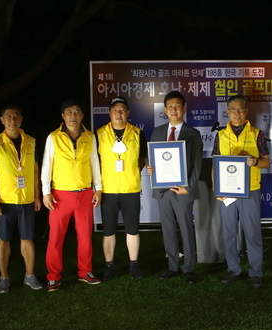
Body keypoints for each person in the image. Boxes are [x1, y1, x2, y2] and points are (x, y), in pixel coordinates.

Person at [41, 99, 103, 291]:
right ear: (63, 116)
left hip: (84, 193)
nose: (73, 116)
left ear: (82, 116)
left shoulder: (90, 137)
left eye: (77, 112)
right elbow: (46, 165)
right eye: (69, 112)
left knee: (85, 236)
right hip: (60, 195)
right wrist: (46, 192)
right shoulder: (53, 137)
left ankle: (85, 272)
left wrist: (98, 188)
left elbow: (94, 163)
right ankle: (53, 277)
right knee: (55, 238)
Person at [0, 105, 43, 294]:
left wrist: (37, 196)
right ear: (2, 120)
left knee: (28, 239)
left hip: (26, 200)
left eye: (16, 116)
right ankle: (4, 277)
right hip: (5, 201)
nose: (12, 119)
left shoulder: (31, 142)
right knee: (4, 239)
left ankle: (30, 275)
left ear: (21, 119)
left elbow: (35, 171)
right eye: (8, 117)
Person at [212, 95, 270, 289]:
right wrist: (216, 188)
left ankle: (255, 272)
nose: (237, 113)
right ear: (227, 112)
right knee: (229, 232)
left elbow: (266, 161)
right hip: (227, 192)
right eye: (233, 109)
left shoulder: (257, 134)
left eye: (240, 109)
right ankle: (233, 269)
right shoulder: (220, 135)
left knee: (252, 233)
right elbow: (215, 164)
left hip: (250, 190)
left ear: (246, 111)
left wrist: (255, 161)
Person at [147, 91, 203, 284]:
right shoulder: (157, 131)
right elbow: (151, 157)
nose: (173, 110)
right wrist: (150, 166)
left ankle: (189, 268)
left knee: (187, 229)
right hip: (163, 191)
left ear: (184, 109)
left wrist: (189, 187)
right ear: (165, 110)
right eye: (170, 106)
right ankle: (172, 266)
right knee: (168, 229)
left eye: (177, 106)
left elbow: (197, 164)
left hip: (183, 190)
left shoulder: (193, 133)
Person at [96, 96, 147, 280]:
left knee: (132, 230)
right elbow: (95, 162)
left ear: (128, 113)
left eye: (122, 110)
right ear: (110, 113)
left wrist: (131, 172)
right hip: (108, 190)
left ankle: (134, 265)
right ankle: (109, 266)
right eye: (115, 110)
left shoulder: (138, 133)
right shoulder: (99, 134)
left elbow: (142, 158)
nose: (119, 113)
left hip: (131, 189)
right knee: (108, 230)